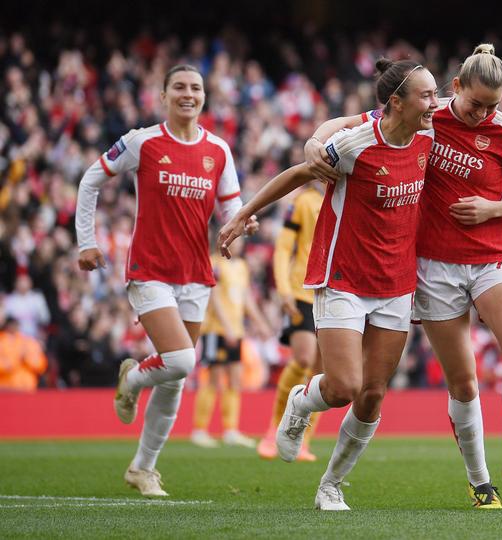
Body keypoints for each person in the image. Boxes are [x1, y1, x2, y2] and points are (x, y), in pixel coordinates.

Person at [306, 44, 502, 508]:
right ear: (455, 87)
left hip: (492, 257)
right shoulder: (425, 114)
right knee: (463, 382)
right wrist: (313, 142)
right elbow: (348, 125)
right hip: (434, 268)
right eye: (476, 102)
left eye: (493, 106)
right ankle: (480, 482)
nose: (483, 113)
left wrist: (493, 209)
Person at [219, 58, 438, 511]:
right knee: (342, 387)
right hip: (344, 278)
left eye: (438, 94)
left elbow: (475, 108)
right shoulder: (356, 144)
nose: (436, 104)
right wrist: (242, 214)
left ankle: (331, 485)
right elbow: (298, 175)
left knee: (373, 395)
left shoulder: (432, 132)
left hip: (396, 283)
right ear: (396, 103)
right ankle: (300, 404)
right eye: (427, 96)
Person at [75, 64, 258, 497]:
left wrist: (239, 226)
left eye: (195, 88)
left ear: (204, 97)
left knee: (176, 377)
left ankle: (143, 468)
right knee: (180, 361)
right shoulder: (143, 142)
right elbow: (90, 179)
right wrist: (87, 241)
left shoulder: (219, 150)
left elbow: (230, 209)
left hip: (195, 273)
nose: (188, 94)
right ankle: (132, 379)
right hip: (150, 270)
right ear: (163, 95)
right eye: (179, 87)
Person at [257, 184, 325, 462]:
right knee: (303, 359)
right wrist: (283, 289)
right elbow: (284, 248)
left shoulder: (350, 194)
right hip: (302, 290)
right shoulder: (303, 201)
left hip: (336, 292)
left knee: (323, 373)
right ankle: (274, 430)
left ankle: (303, 438)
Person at [190, 237, 272, 449]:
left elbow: (246, 298)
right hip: (216, 330)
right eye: (233, 238)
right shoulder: (214, 263)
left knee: (235, 380)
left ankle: (231, 430)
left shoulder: (242, 266)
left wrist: (261, 323)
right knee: (214, 379)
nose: (238, 242)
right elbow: (213, 296)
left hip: (236, 330)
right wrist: (226, 326)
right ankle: (199, 430)